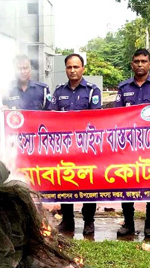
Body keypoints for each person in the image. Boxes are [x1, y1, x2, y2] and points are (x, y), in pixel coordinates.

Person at [114, 48, 150, 238]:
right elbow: (115, 116)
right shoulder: (124, 88)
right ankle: (129, 224)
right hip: (127, 146)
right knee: (126, 184)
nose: (140, 64)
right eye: (136, 61)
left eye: (143, 61)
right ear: (132, 64)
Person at [51, 53, 102, 235]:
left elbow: (95, 118)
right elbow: (51, 117)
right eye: (69, 67)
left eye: (76, 67)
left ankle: (89, 221)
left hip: (86, 147)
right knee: (66, 182)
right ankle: (68, 221)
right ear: (65, 69)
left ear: (83, 69)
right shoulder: (58, 91)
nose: (72, 70)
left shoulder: (92, 90)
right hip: (65, 147)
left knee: (88, 183)